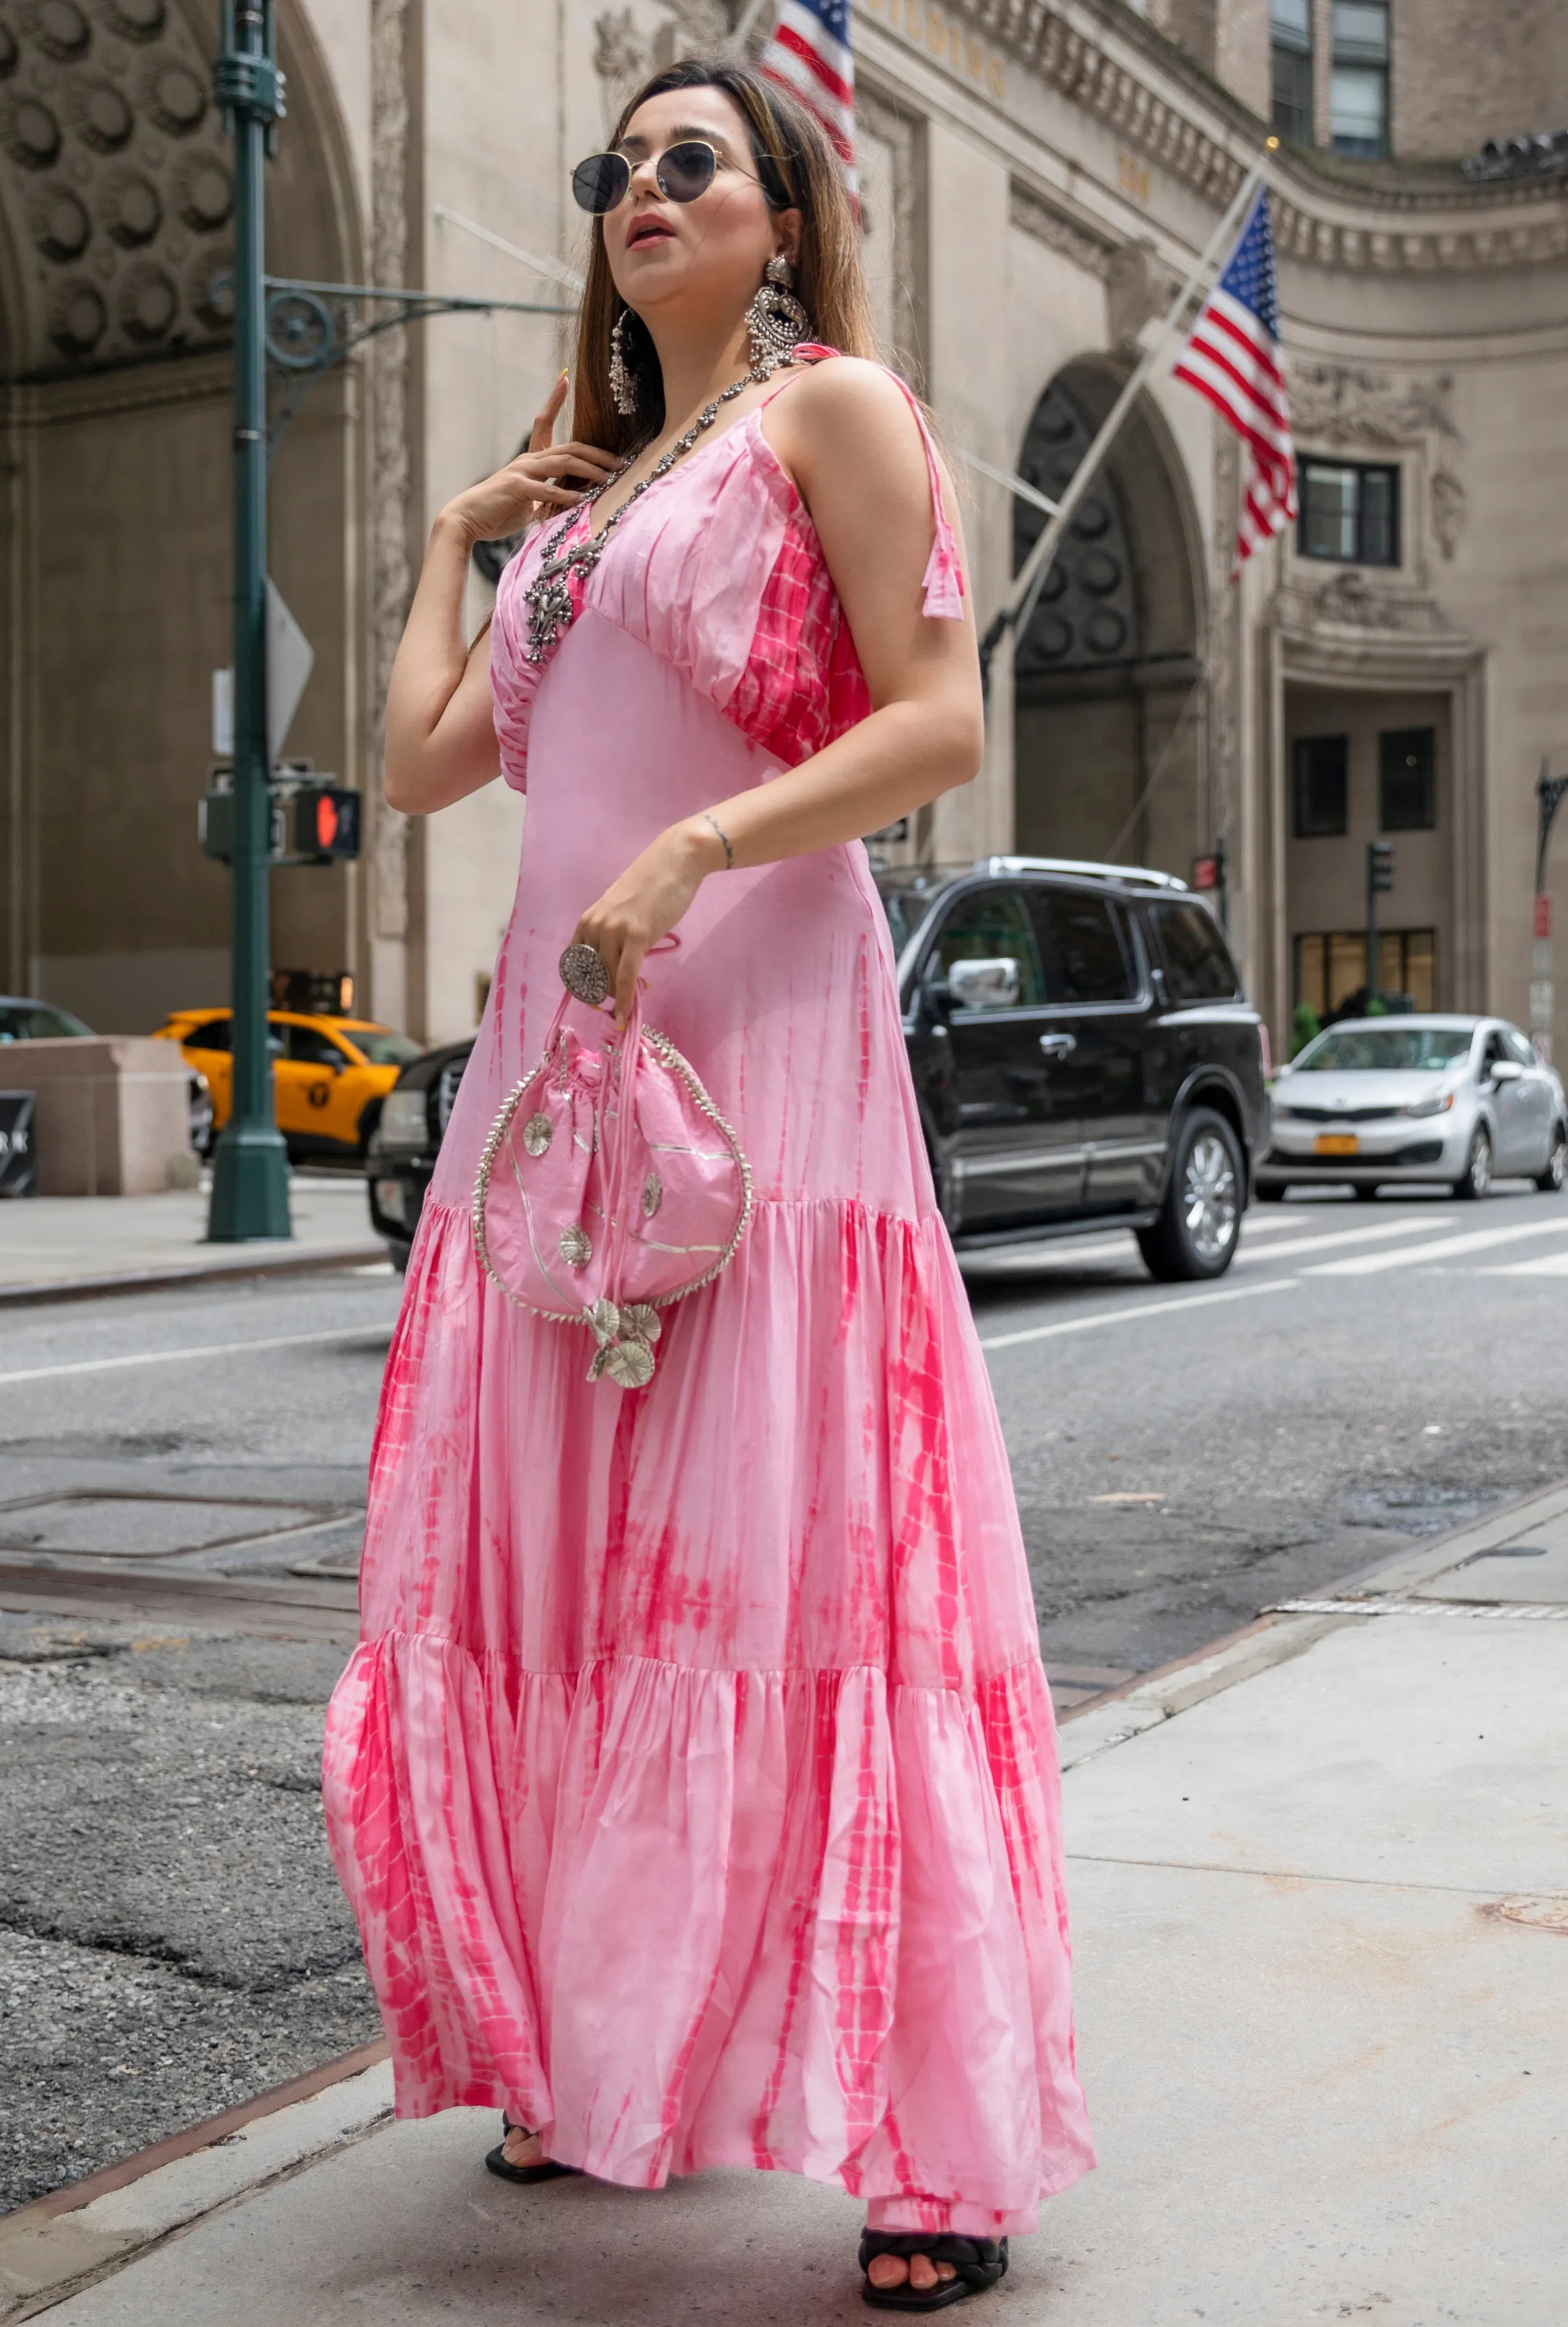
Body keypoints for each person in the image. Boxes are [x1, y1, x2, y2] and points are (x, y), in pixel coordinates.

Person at [322, 55, 1093, 2311]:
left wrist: (698, 844)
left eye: (692, 163)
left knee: (819, 1567)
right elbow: (426, 756)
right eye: (617, 168)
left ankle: (935, 2151)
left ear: (780, 214)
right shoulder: (581, 506)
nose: (642, 192)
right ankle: (596, 2063)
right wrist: (463, 538)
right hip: (564, 1074)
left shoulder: (833, 413)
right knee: (574, 1573)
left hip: (761, 1044)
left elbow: (939, 713)